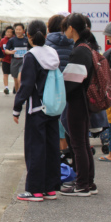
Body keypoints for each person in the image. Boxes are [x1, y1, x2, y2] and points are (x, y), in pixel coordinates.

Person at [12, 20, 62, 202]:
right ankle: (50, 188)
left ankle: (35, 190)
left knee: (35, 148)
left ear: (28, 35)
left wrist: (17, 108)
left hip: (36, 108)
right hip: (53, 107)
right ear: (46, 34)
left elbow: (26, 86)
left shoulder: (31, 56)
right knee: (51, 147)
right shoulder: (53, 53)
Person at [60, 13, 97, 196]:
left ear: (71, 28)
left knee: (78, 144)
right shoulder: (87, 46)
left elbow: (72, 82)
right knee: (83, 142)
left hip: (77, 101)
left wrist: (59, 94)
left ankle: (82, 184)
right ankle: (88, 181)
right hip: (83, 100)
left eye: (65, 27)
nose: (64, 31)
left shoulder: (80, 50)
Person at [45, 15, 74, 154]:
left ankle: (59, 159)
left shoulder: (47, 44)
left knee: (55, 122)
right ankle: (68, 155)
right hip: (71, 86)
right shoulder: (72, 42)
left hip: (53, 88)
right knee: (68, 122)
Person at [4, 23, 28, 95]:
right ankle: (18, 95)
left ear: (23, 30)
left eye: (20, 29)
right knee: (16, 81)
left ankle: (21, 96)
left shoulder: (27, 40)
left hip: (24, 61)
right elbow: (6, 50)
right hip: (14, 61)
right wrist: (10, 52)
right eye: (16, 29)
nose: (18, 31)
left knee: (20, 79)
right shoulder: (12, 40)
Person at [0, 26, 14, 94]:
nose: (9, 33)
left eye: (10, 32)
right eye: (7, 32)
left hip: (13, 60)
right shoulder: (3, 40)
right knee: (5, 74)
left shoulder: (14, 40)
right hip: (5, 60)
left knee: (15, 75)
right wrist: (4, 51)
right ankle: (6, 87)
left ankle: (15, 86)